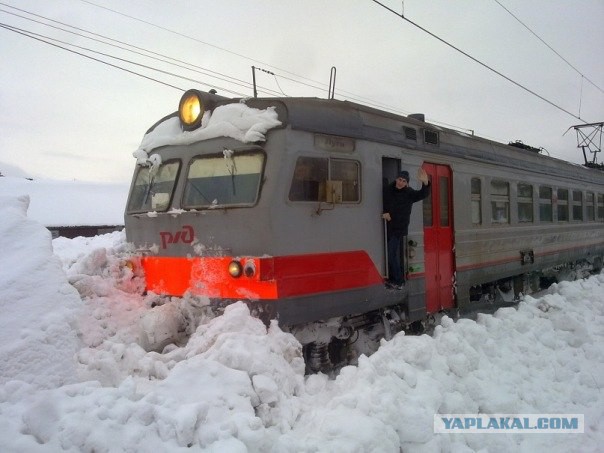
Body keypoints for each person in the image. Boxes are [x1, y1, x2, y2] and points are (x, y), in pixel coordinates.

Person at [382, 168, 431, 289]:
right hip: (388, 226)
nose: (401, 182)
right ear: (396, 179)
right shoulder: (388, 189)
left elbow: (422, 194)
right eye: (399, 179)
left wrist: (426, 183)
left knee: (391, 254)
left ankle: (399, 281)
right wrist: (385, 212)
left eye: (404, 181)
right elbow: (383, 202)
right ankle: (394, 279)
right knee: (390, 254)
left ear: (407, 183)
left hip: (399, 228)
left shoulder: (409, 193)